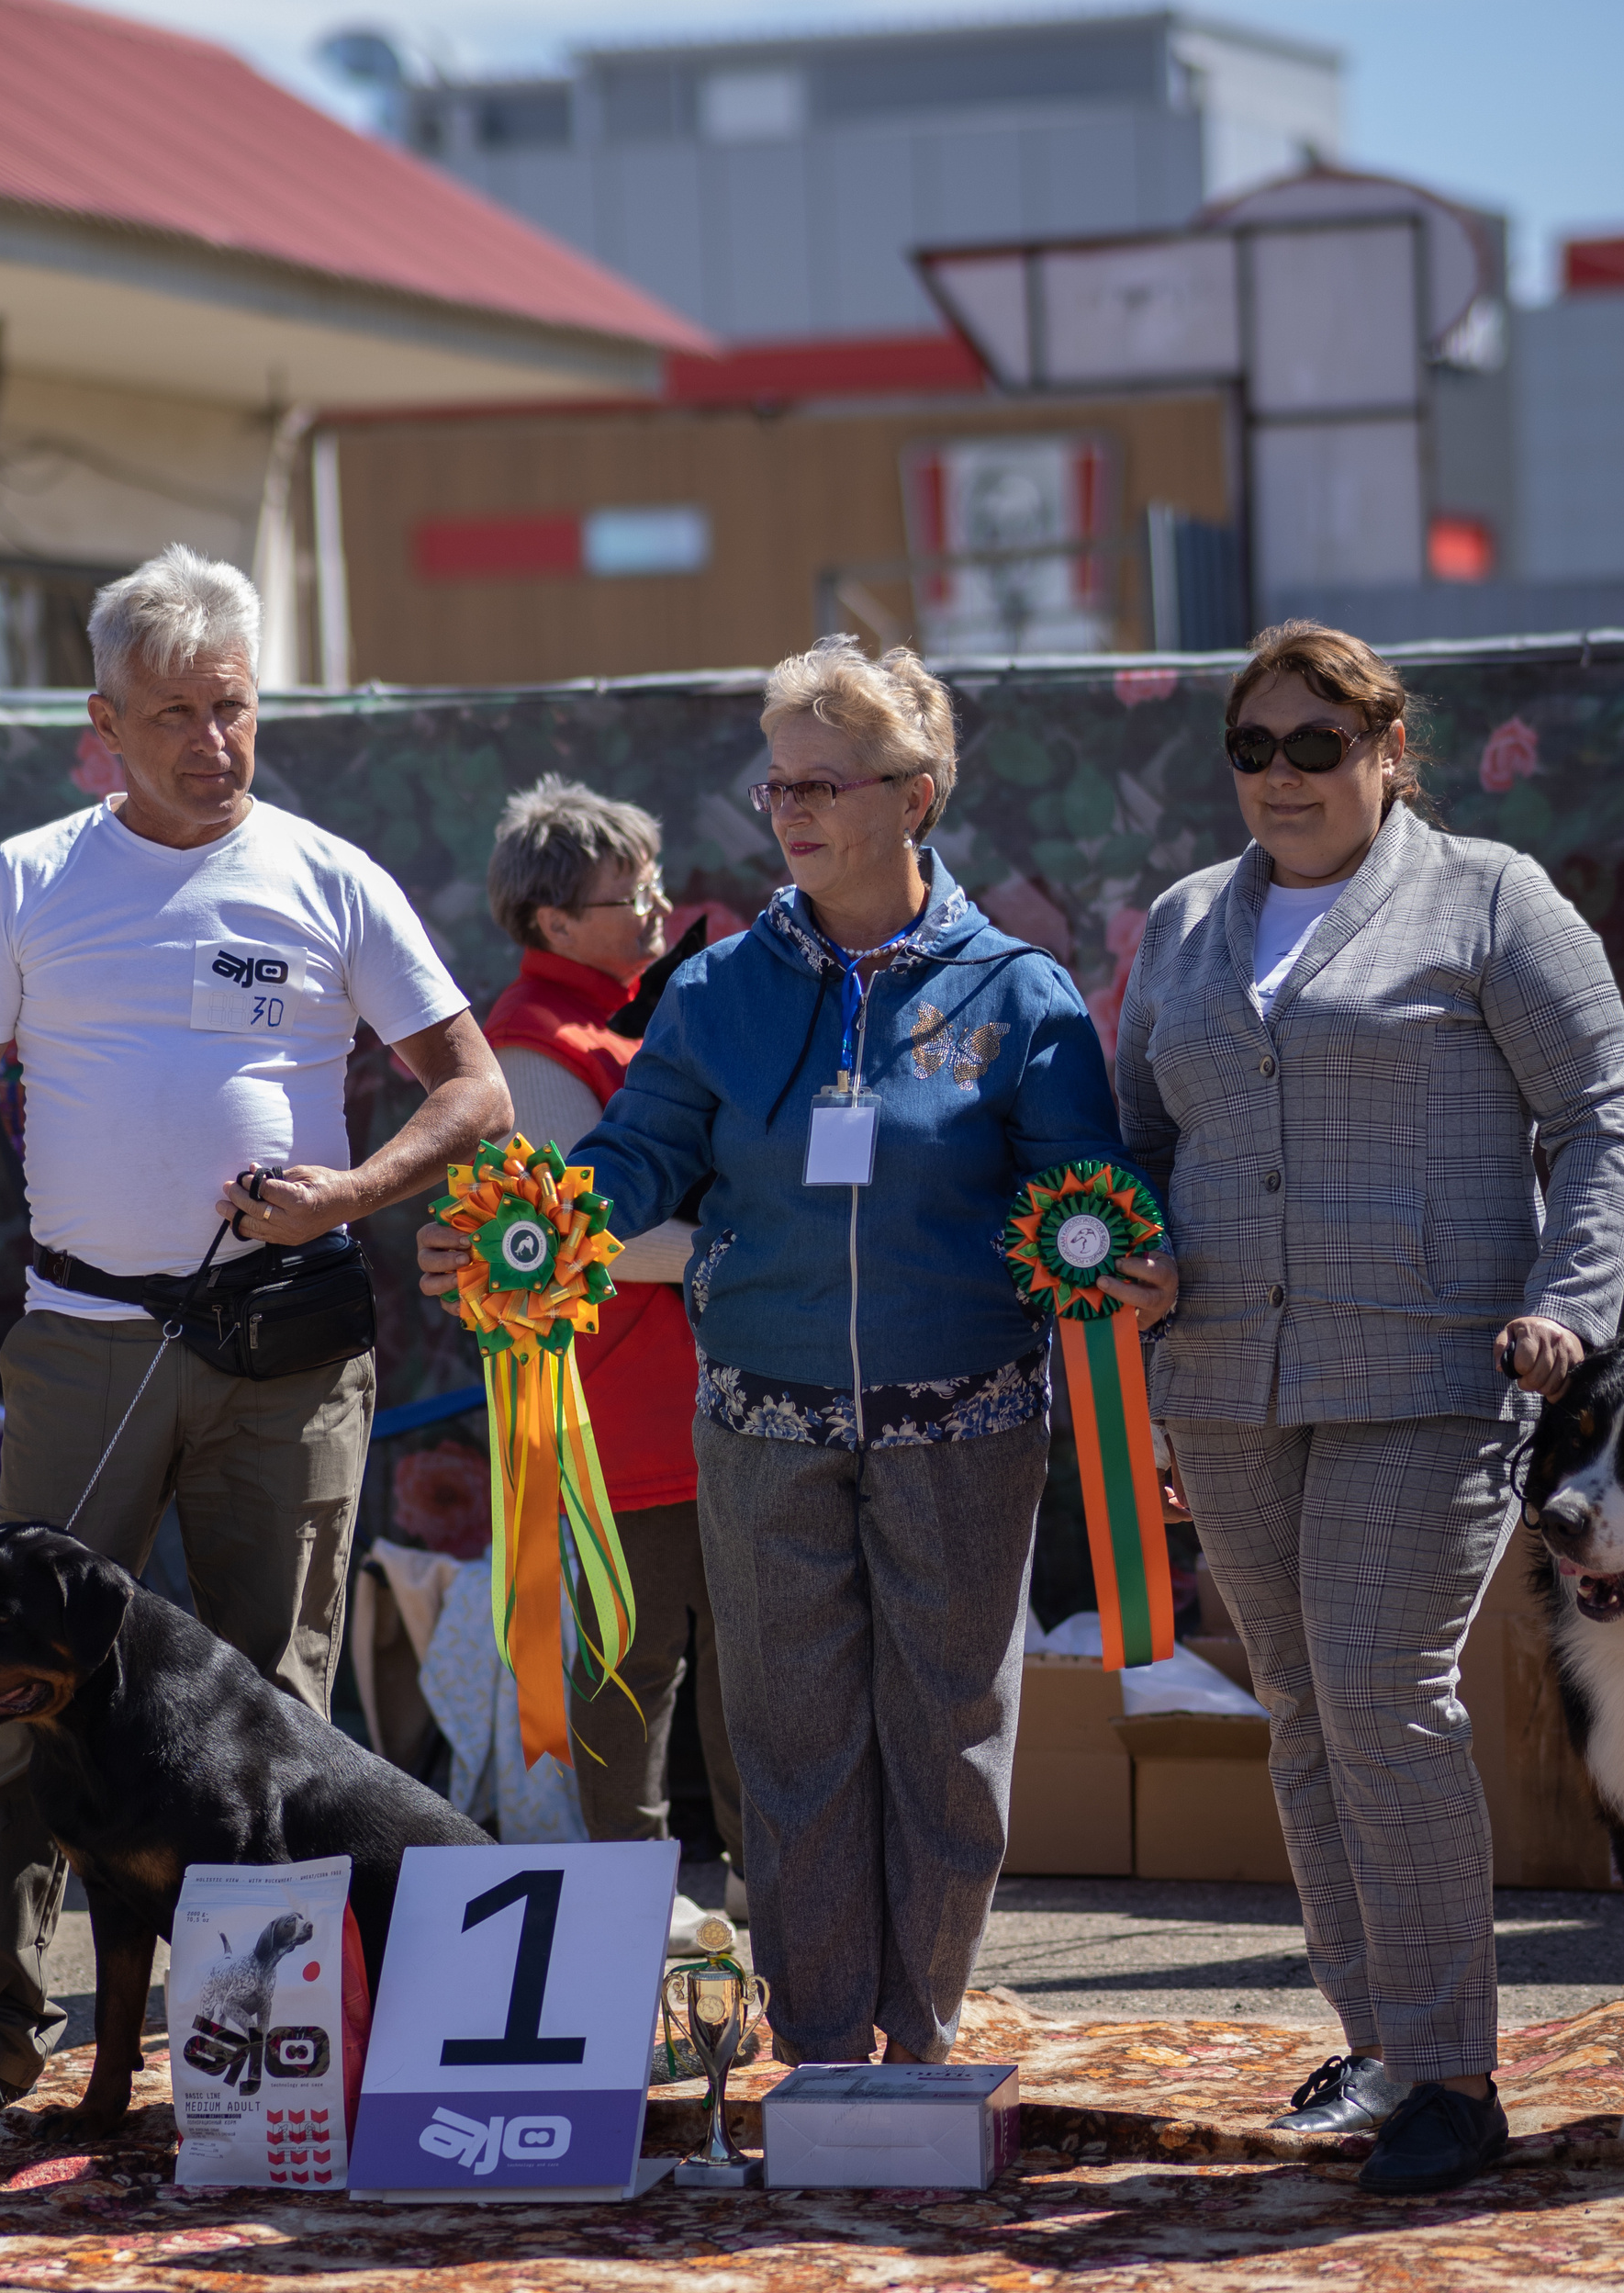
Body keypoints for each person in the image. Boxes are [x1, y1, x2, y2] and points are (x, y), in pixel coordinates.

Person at [423, 636, 1174, 2067]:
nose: (792, 810)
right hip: (759, 1429)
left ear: (916, 793)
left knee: (949, 1744)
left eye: (823, 782)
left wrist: (1132, 1255)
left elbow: (1088, 1198)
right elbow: (637, 1163)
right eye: (777, 784)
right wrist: (535, 1225)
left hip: (969, 1427)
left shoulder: (1023, 996)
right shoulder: (712, 995)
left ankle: (927, 2029)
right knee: (793, 1751)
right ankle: (826, 2048)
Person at [0, 545, 511, 2130]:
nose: (211, 743)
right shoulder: (27, 878)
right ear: (102, 721)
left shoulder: (328, 872)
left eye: (233, 709)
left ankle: (253, 2058)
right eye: (173, 715)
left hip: (286, 1353)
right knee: (13, 1692)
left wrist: (348, 1190)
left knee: (272, 1718)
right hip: (82, 1340)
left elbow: (473, 1087)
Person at [1116, 620, 1624, 2196]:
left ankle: (1453, 2077)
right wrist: (1125, 1247)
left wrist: (1572, 1305)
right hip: (1223, 1377)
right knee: (1300, 1710)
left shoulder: (1489, 896)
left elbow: (1602, 1120)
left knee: (1379, 1695)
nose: (1282, 777)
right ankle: (1381, 2046)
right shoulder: (1186, 918)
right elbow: (1139, 1136)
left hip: (1431, 1369)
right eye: (1254, 749)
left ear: (1390, 753)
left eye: (1317, 746)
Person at [476, 777, 747, 1917]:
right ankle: (623, 1910)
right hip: (617, 1414)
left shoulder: (645, 1013)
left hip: (703, 1395)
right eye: (627, 893)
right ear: (551, 921)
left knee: (743, 1672)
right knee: (633, 1673)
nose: (657, 908)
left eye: (654, 884)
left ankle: (764, 1899)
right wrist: (746, 1257)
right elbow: (594, 1237)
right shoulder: (532, 1045)